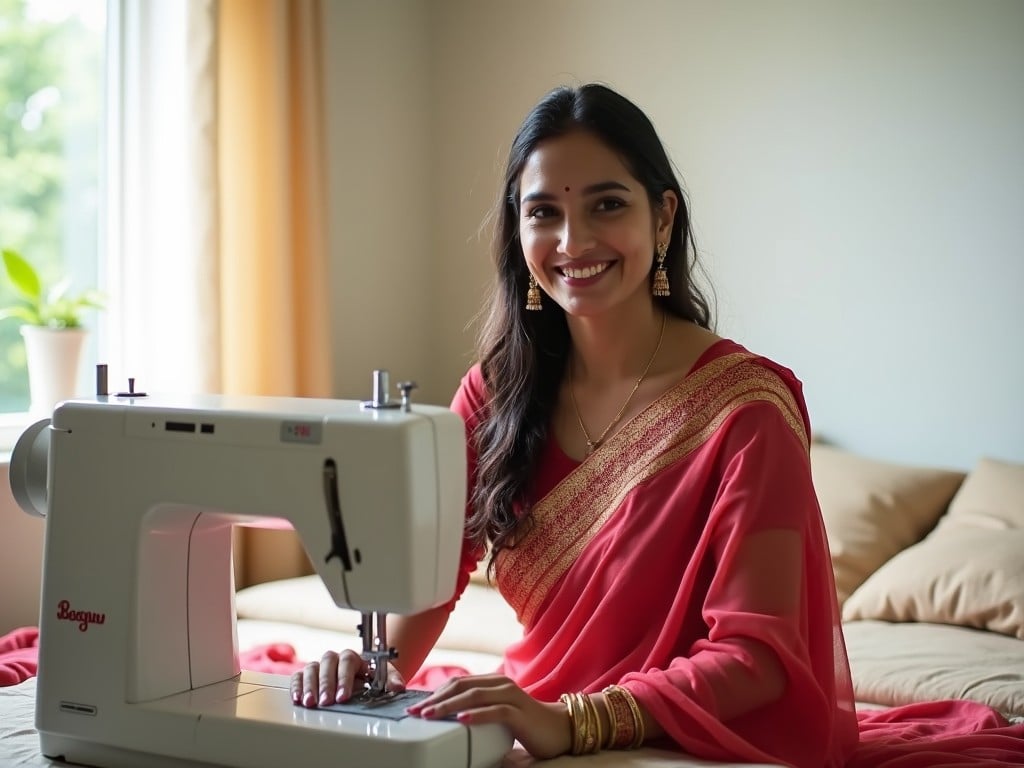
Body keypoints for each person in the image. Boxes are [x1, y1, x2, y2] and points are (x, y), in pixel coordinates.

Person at [292, 84, 1024, 766]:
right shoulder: (493, 395)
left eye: (607, 205)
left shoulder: (745, 410)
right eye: (543, 211)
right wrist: (374, 662)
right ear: (517, 229)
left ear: (663, 216)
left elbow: (757, 655)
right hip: (532, 716)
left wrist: (577, 721)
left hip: (693, 736)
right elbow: (438, 571)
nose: (573, 240)